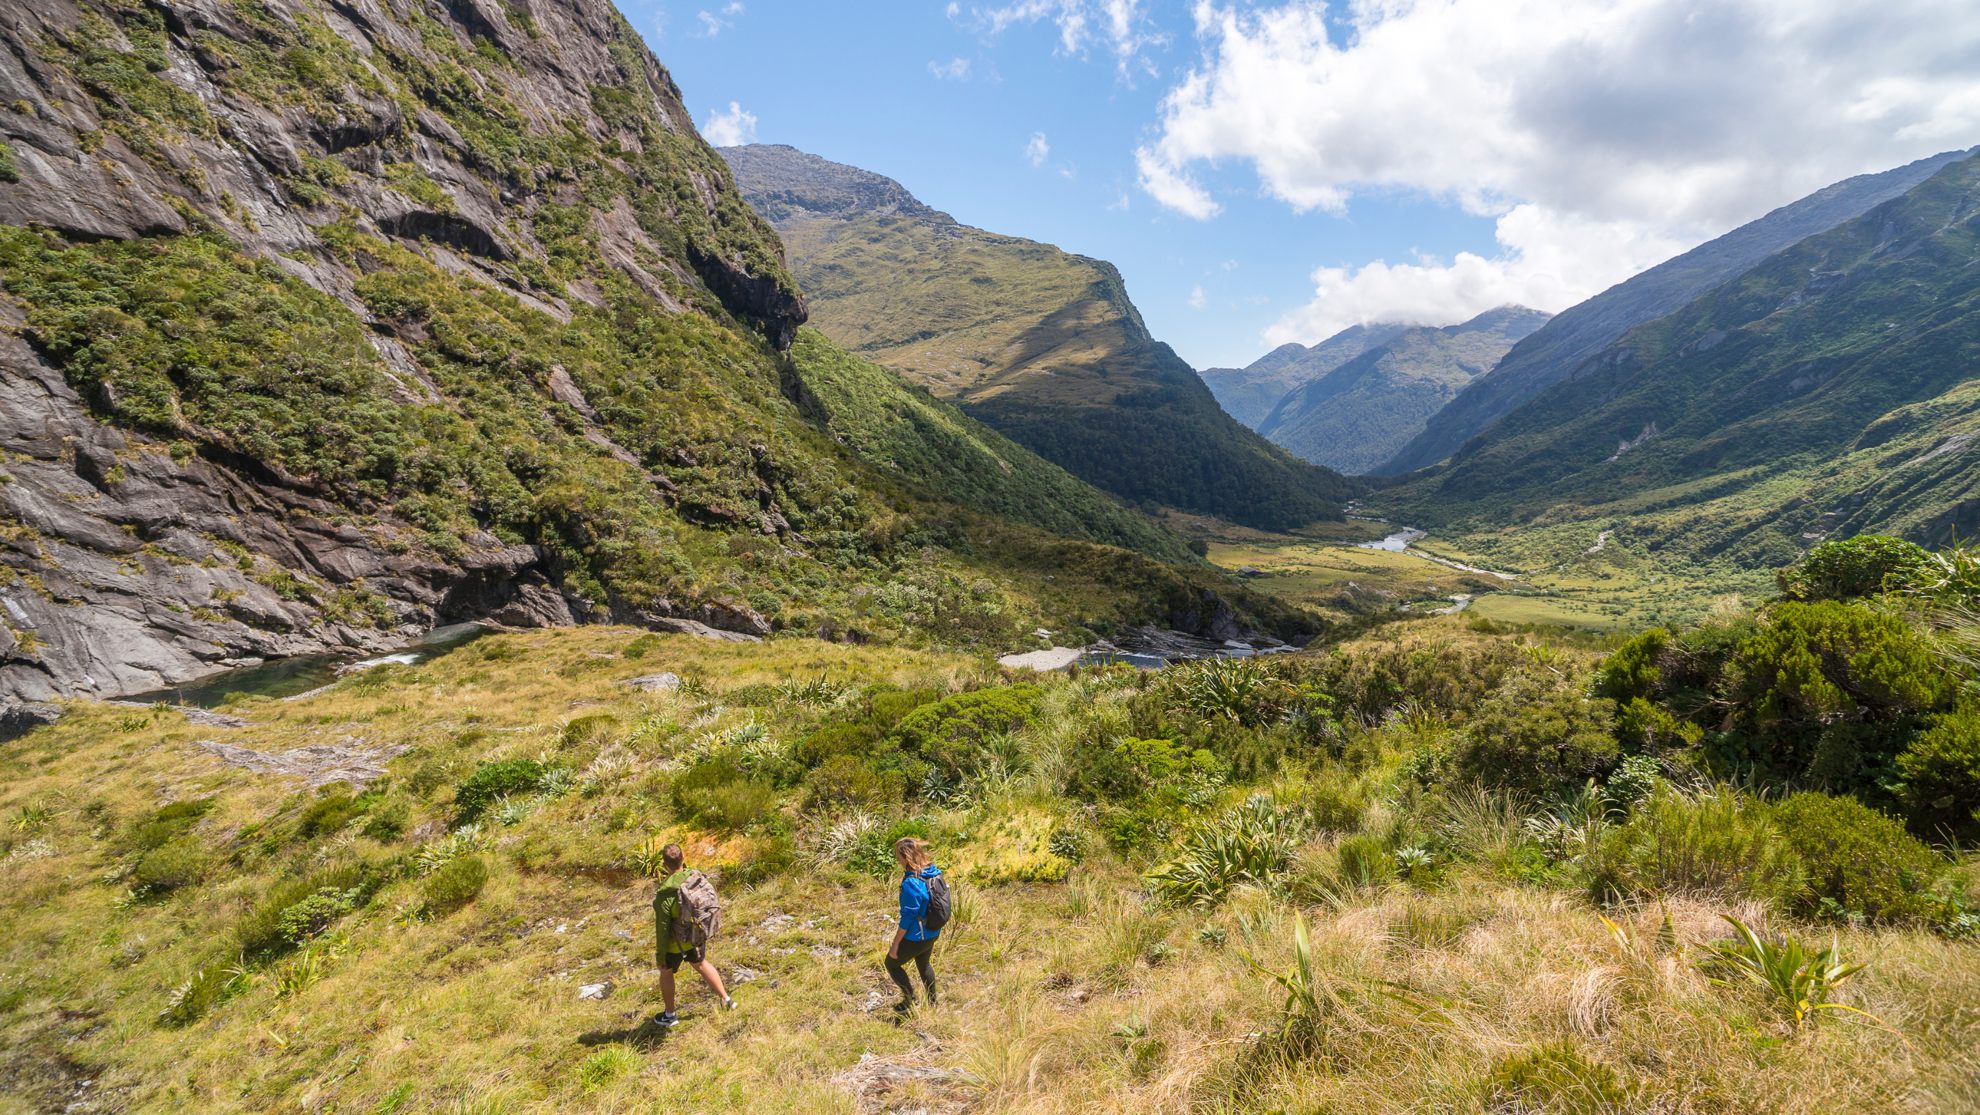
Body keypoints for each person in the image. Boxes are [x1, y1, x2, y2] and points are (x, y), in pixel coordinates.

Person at [652, 843, 734, 1027]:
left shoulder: (665, 893)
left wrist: (660, 956)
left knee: (666, 972)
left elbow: (662, 929)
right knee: (700, 964)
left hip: (676, 943)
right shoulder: (695, 877)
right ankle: (726, 999)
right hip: (697, 934)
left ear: (664, 866)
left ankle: (670, 1015)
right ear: (683, 858)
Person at [884, 836, 943, 1015]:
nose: (897, 860)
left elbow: (908, 917)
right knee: (924, 964)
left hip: (918, 936)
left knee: (891, 964)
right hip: (933, 930)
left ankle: (910, 999)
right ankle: (933, 1003)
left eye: (899, 857)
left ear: (906, 857)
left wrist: (895, 945)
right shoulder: (933, 872)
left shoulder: (912, 882)